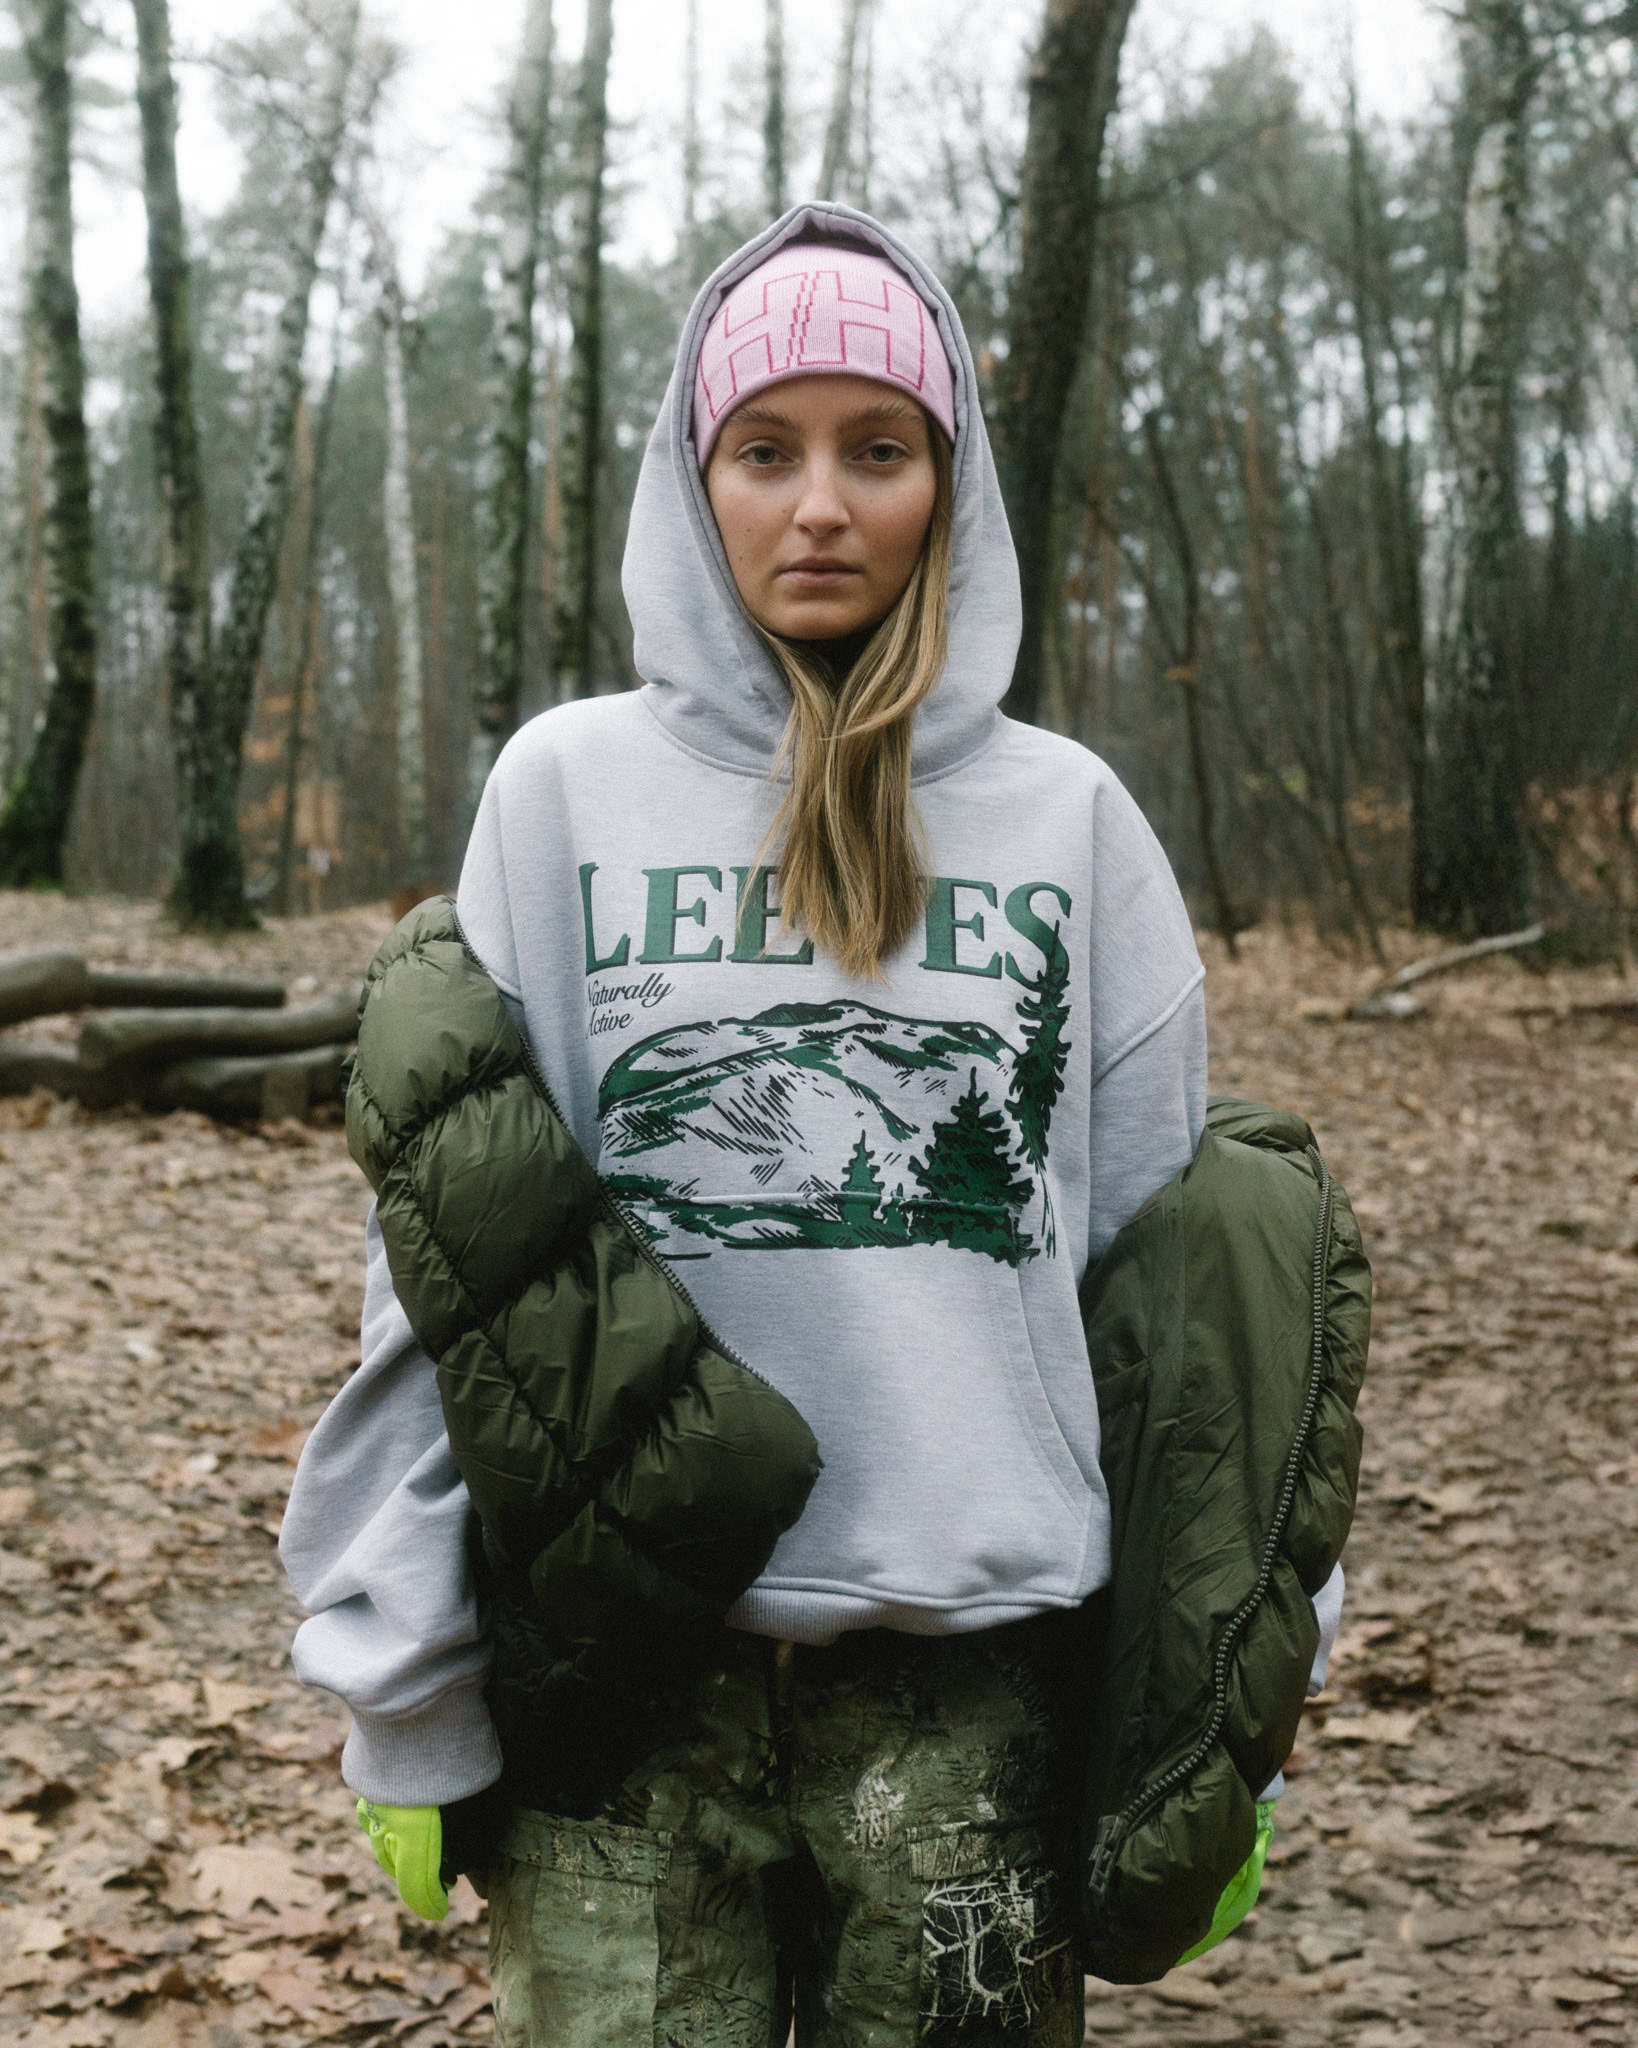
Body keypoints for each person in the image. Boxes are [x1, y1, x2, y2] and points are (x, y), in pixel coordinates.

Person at [281, 205, 1354, 2047]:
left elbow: (1190, 1329)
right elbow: (449, 1269)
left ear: (950, 481)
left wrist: (1232, 1708)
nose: (822, 507)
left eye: (880, 449)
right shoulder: (565, 792)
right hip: (620, 1685)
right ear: (694, 480)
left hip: (972, 1702)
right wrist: (404, 1681)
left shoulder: (1068, 821)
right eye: (765, 451)